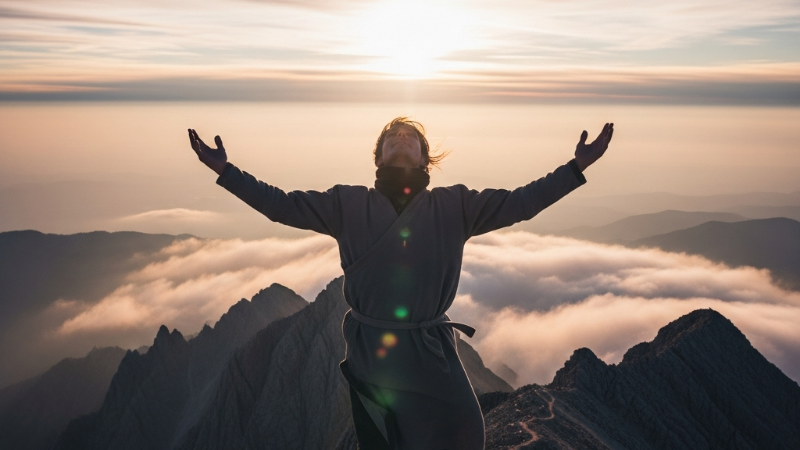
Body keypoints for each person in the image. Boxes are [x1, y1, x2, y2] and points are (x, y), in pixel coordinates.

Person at [188, 117, 613, 450]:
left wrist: (575, 168)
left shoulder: (455, 206)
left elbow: (522, 202)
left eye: (411, 135)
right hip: (375, 351)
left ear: (426, 157)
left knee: (467, 431)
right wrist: (226, 171)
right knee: (389, 440)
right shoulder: (347, 203)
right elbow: (281, 206)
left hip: (433, 353)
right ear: (379, 156)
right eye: (393, 135)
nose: (402, 136)